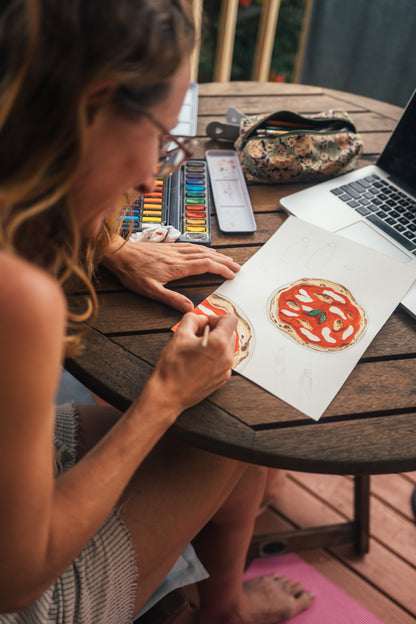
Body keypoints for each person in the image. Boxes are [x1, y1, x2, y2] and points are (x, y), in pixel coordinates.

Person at [0, 1, 315, 623]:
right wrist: (162, 399)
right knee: (233, 432)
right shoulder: (20, 298)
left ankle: (211, 596)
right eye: (163, 140)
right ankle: (220, 612)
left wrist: (109, 244)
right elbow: (15, 581)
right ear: (94, 103)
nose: (151, 177)